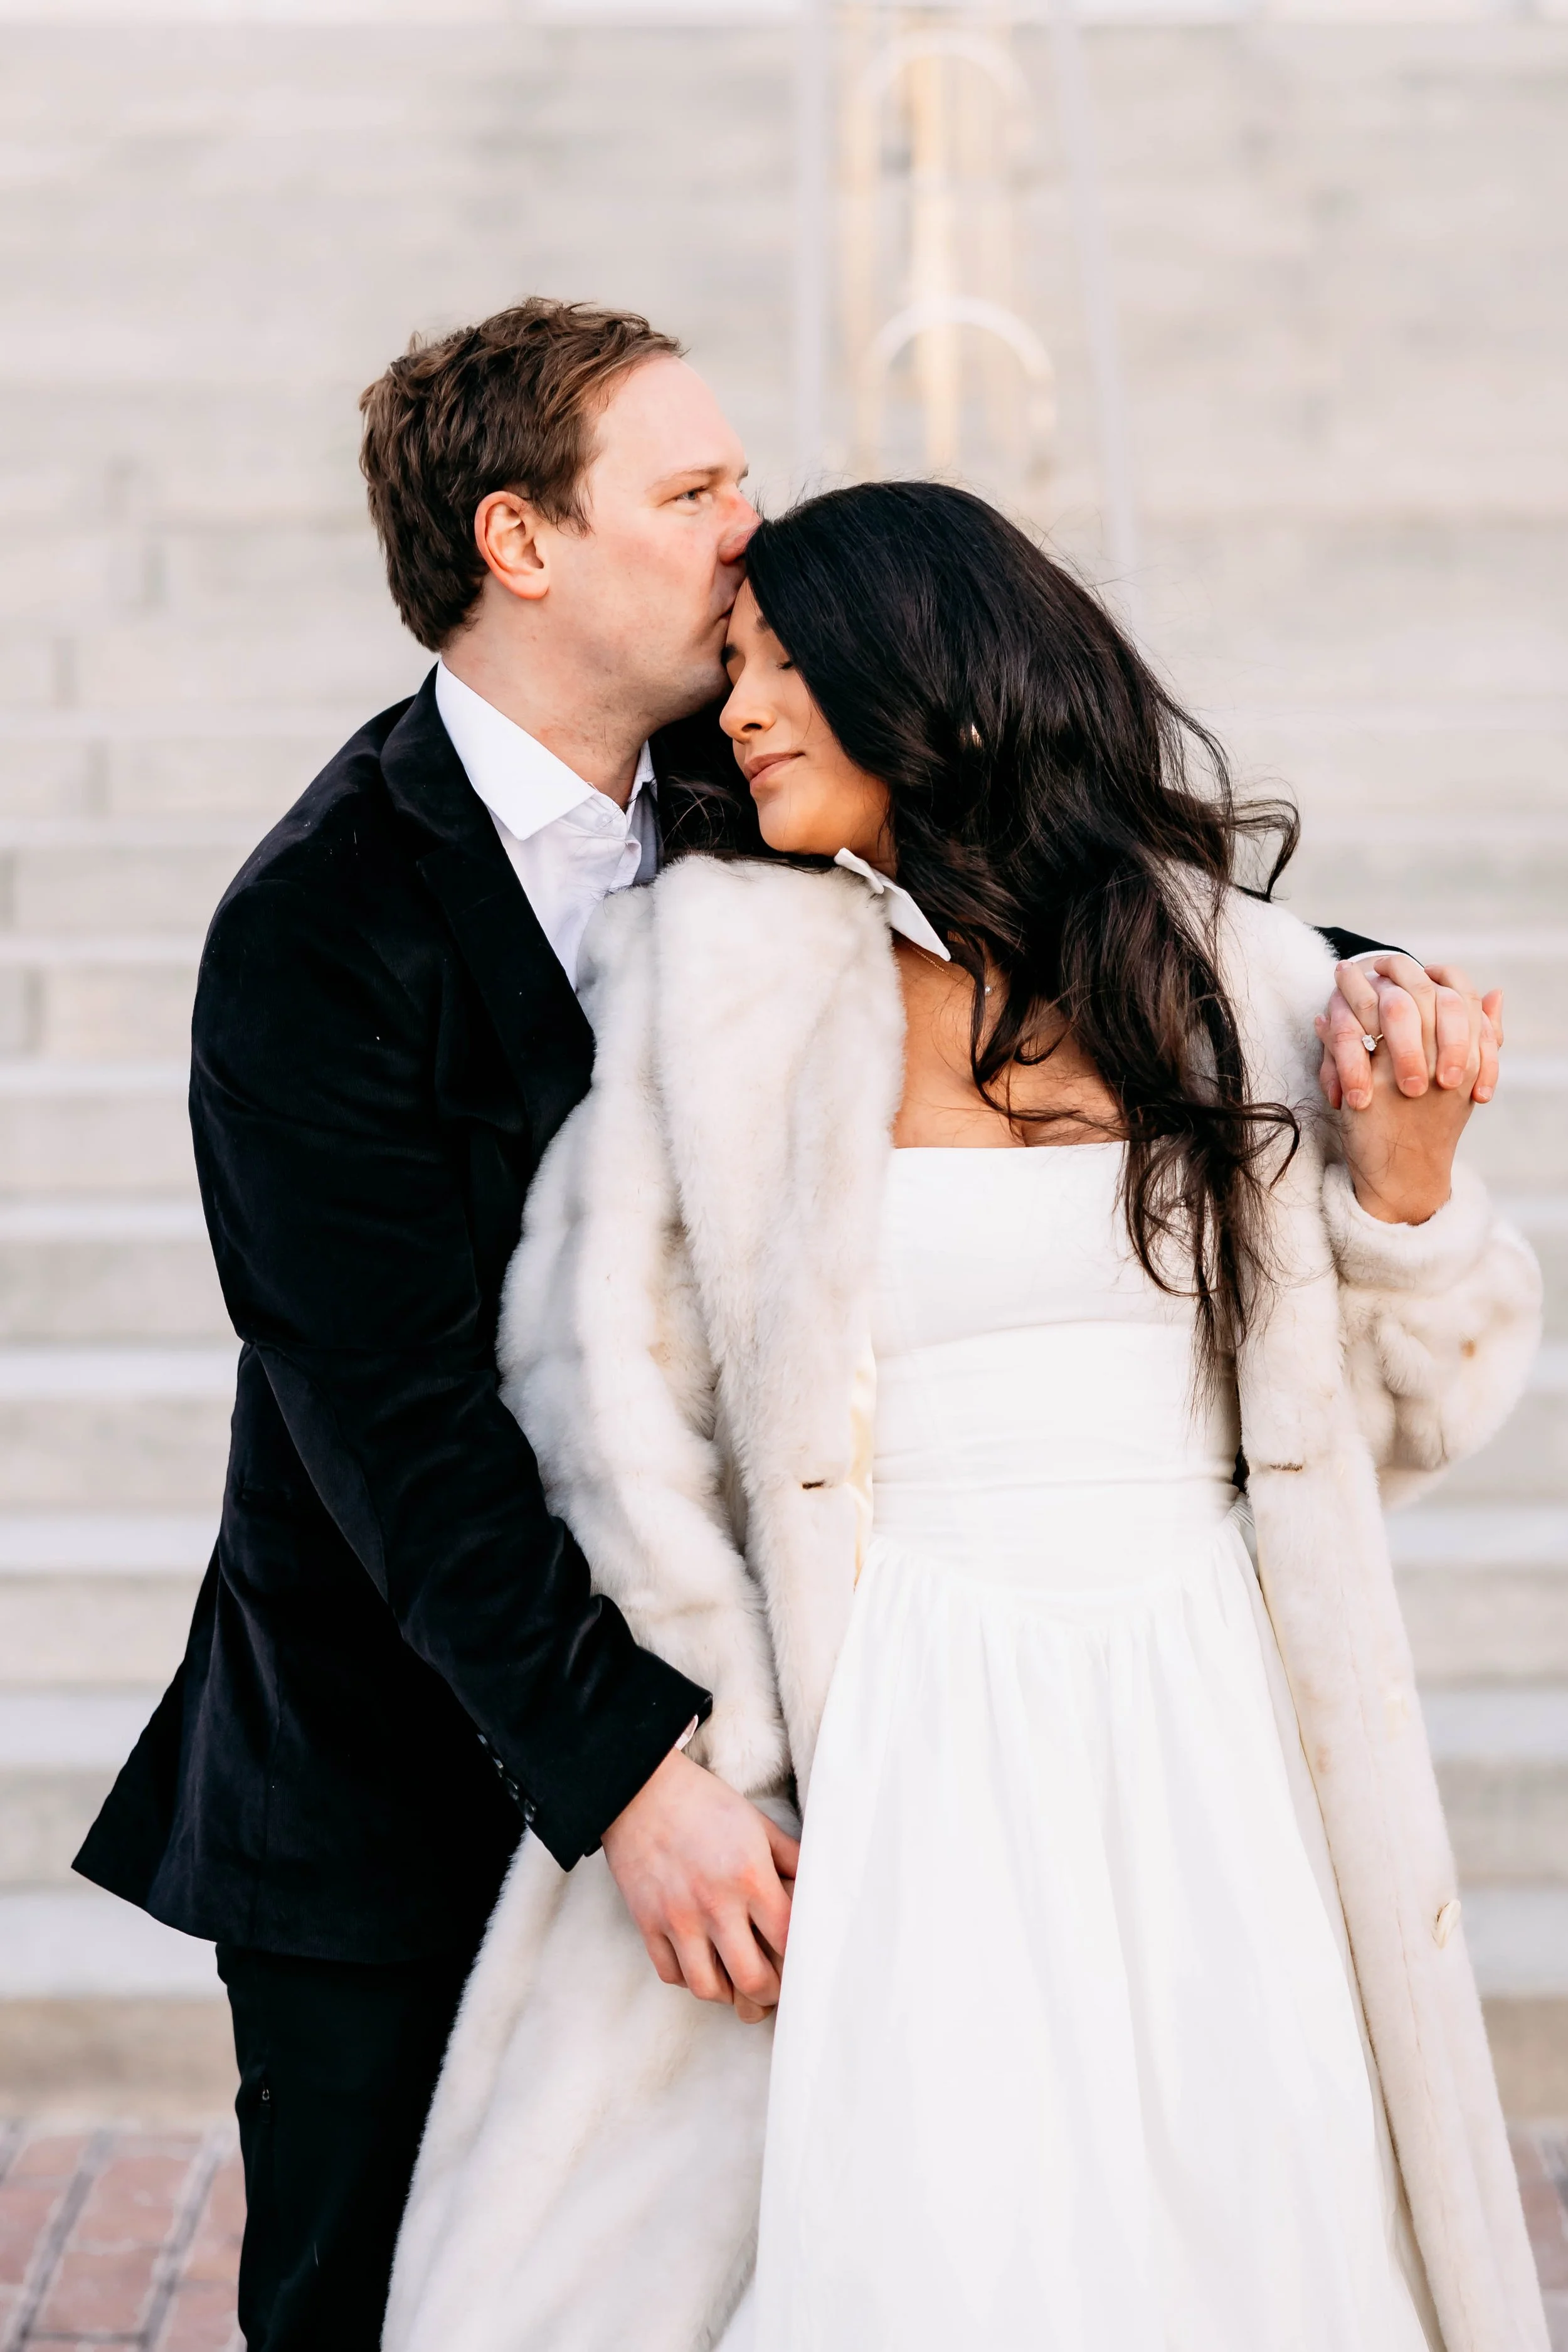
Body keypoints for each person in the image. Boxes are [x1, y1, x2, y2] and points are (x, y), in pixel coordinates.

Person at [386, 483, 1546, 2352]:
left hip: (1210, 1713)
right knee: (917, 2248)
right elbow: (614, 1416)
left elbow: (1413, 1414)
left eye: (777, 667)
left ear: (927, 679)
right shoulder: (726, 991)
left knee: (1234, 2246)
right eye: (736, 663)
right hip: (895, 1711)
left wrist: (1397, 1197)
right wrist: (716, 1742)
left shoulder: (1244, 978)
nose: (736, 708)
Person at [72, 299, 800, 2352]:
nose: (754, 522)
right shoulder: (314, 924)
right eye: (692, 488)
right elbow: (391, 1424)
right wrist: (633, 1781)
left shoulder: (768, 779)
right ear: (519, 540)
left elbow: (1079, 872)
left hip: (751, 1746)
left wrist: (1350, 987)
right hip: (406, 1787)